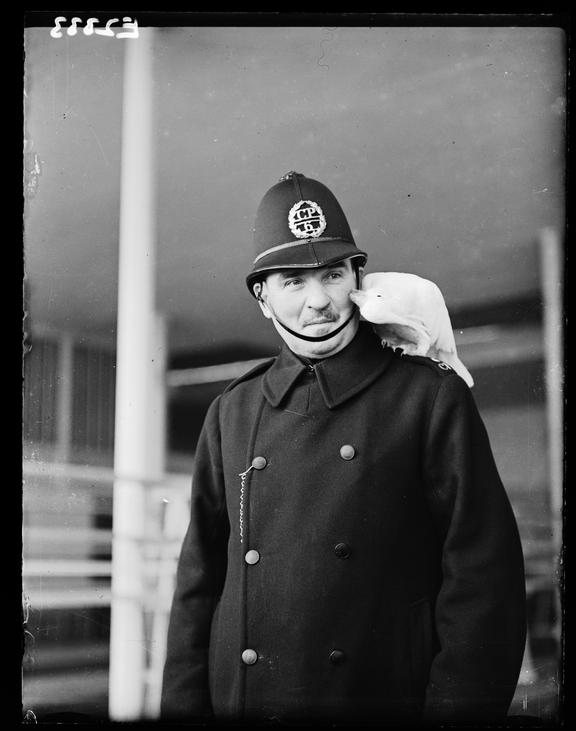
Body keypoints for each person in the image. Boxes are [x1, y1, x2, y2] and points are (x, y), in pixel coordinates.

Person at [161, 171, 527, 724]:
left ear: (358, 274)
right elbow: (198, 587)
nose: (319, 302)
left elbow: (483, 581)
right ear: (262, 298)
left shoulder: (428, 396)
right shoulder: (231, 413)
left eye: (332, 274)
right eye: (292, 282)